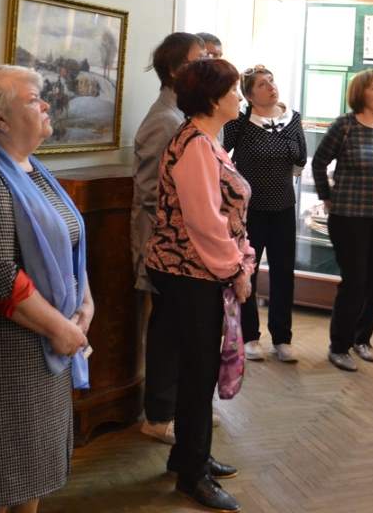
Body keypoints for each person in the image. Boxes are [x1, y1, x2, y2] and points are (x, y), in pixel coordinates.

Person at [0, 66, 94, 513]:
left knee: (33, 472)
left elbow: (70, 244)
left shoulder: (34, 170)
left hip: (47, 346)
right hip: (8, 355)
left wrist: (85, 304)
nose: (47, 104)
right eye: (34, 99)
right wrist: (60, 328)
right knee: (1, 481)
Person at [146, 58, 253, 512]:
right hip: (189, 274)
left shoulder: (206, 141)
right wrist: (235, 269)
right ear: (212, 98)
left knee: (197, 369)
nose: (240, 97)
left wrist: (238, 260)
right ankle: (193, 475)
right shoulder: (194, 145)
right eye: (233, 90)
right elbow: (205, 223)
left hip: (194, 271)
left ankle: (189, 455)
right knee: (198, 371)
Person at [131, 32, 206, 443]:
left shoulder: (181, 115)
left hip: (181, 246)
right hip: (165, 246)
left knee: (180, 330)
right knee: (167, 330)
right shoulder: (164, 120)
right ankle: (159, 415)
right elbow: (149, 192)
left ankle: (177, 409)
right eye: (199, 59)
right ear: (177, 70)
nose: (206, 64)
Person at [311, 69, 373, 372]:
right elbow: (319, 161)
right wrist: (326, 196)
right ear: (360, 93)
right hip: (349, 216)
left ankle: (363, 339)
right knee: (355, 281)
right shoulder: (345, 125)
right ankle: (339, 346)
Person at [223, 64, 307, 363]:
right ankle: (250, 336)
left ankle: (282, 338)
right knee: (248, 271)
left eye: (272, 81)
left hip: (283, 207)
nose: (271, 87)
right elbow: (219, 152)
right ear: (249, 95)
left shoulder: (291, 119)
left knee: (284, 273)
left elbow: (301, 158)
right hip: (250, 211)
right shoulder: (240, 121)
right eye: (262, 84)